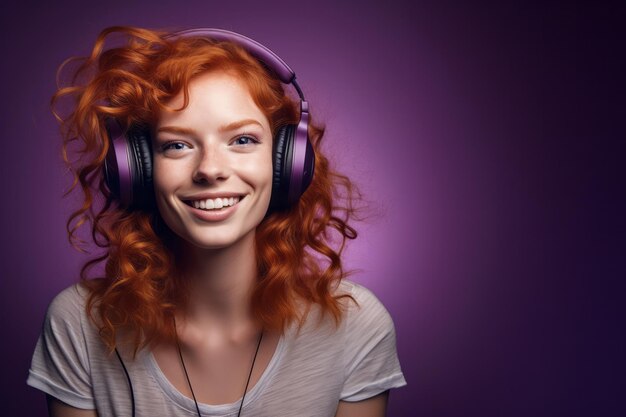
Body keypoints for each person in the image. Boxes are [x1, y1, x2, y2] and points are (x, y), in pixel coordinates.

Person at [27, 26, 406, 417]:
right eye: (177, 145)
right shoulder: (80, 323)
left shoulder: (355, 327)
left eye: (242, 140)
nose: (210, 169)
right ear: (136, 171)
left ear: (287, 163)